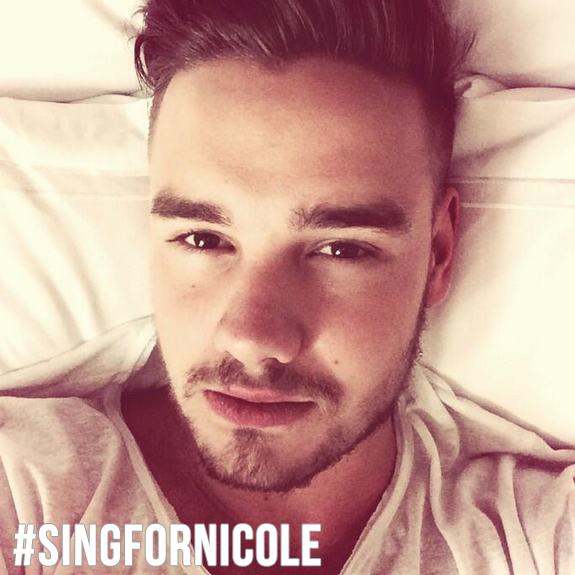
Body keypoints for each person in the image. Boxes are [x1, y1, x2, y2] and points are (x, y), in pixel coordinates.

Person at [1, 0, 574, 573]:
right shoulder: (29, 495)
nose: (252, 339)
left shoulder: (528, 536)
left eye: (342, 249)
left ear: (438, 254)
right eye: (203, 238)